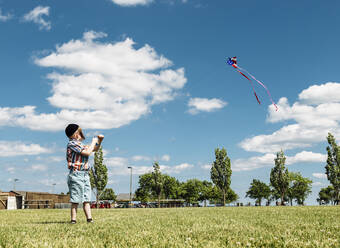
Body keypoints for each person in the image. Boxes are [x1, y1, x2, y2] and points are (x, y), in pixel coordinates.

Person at [65, 123, 104, 224]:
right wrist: (93, 142)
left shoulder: (81, 145)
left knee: (87, 198)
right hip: (76, 174)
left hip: (85, 174)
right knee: (75, 199)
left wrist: (99, 141)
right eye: (79, 132)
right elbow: (87, 152)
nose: (81, 134)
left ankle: (89, 219)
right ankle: (73, 220)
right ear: (75, 134)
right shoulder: (72, 144)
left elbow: (94, 149)